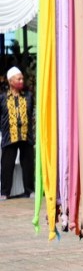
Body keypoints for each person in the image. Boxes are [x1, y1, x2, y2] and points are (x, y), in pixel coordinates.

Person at [1, 67, 34, 200]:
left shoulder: (28, 96)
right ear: (10, 81)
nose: (21, 80)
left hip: (26, 135)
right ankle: (4, 192)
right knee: (7, 164)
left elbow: (30, 113)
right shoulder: (3, 97)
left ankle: (29, 190)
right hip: (10, 135)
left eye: (22, 78)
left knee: (28, 163)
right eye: (18, 78)